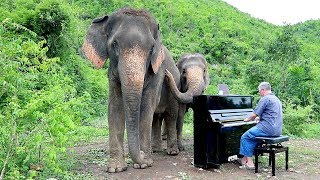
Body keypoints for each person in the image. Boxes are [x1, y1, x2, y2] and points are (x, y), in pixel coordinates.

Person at [239, 82, 283, 170]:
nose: (259, 93)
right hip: (277, 130)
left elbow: (254, 114)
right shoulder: (276, 98)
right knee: (254, 137)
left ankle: (250, 164)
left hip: (267, 129)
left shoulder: (265, 99)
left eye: (259, 91)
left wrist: (246, 119)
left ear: (263, 90)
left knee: (245, 137)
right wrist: (260, 119)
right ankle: (244, 159)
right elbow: (271, 115)